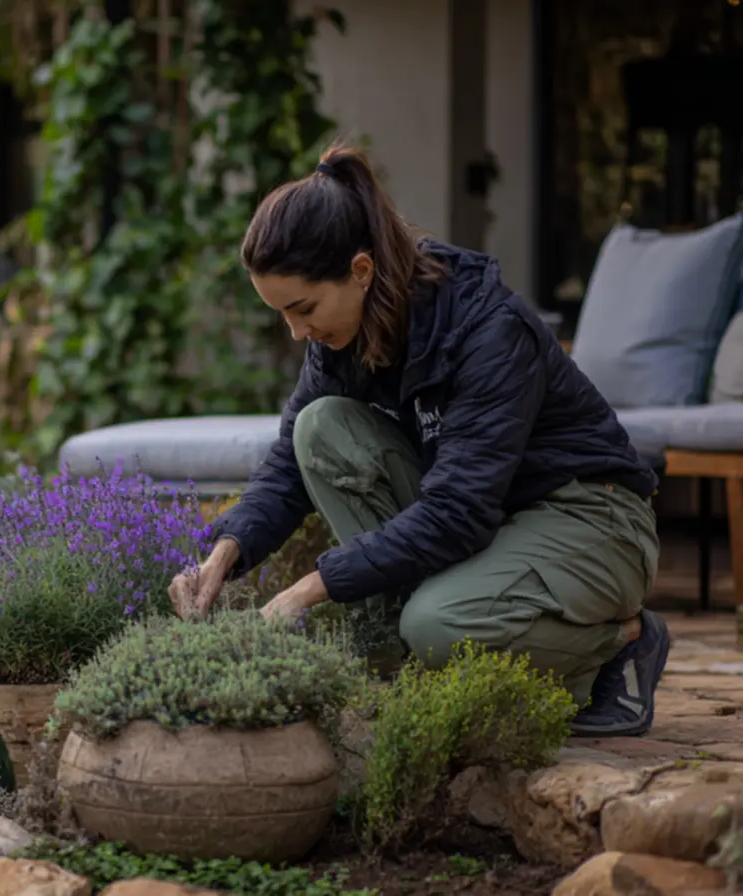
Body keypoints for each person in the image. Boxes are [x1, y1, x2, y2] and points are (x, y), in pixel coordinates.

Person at [168, 142, 668, 738]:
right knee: (319, 427)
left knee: (438, 628)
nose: (296, 331)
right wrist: (225, 552)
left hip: (590, 516)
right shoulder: (339, 338)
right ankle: (398, 658)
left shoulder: (486, 329)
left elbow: (458, 512)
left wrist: (307, 590)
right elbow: (288, 469)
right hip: (492, 518)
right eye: (282, 315)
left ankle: (620, 642)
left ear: (360, 271)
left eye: (302, 308)